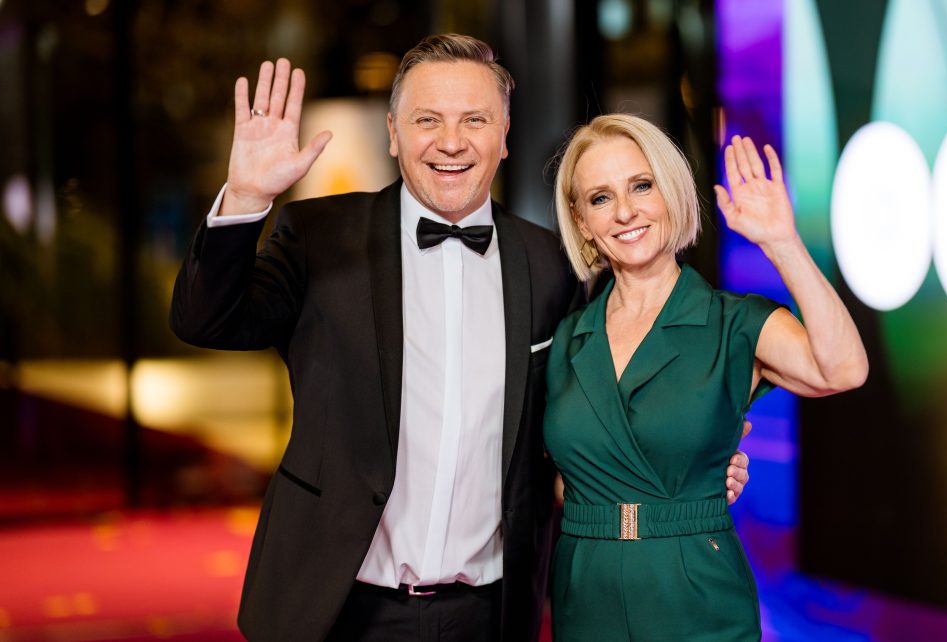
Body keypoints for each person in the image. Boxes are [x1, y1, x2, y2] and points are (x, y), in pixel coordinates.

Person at [170, 35, 750, 642]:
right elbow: (206, 321)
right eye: (428, 120)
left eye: (475, 120)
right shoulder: (321, 238)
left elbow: (589, 420)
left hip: (490, 613)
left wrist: (690, 462)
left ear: (504, 136)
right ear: (393, 133)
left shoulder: (552, 265)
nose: (452, 142)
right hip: (338, 605)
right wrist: (247, 198)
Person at [544, 114, 869, 640]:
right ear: (582, 222)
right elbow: (564, 481)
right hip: (585, 593)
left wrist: (782, 242)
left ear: (670, 193)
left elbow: (844, 368)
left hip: (695, 593)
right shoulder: (568, 337)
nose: (625, 211)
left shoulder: (733, 323)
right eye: (601, 198)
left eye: (641, 186)